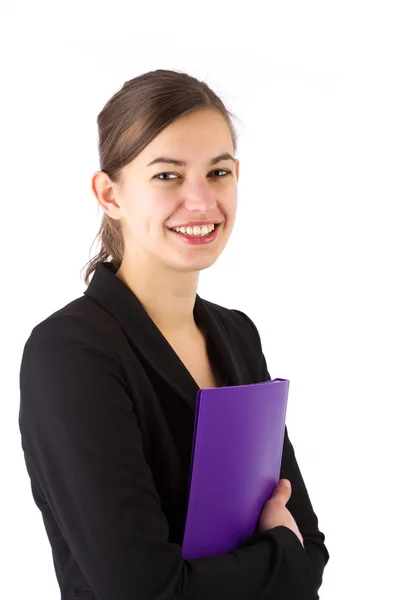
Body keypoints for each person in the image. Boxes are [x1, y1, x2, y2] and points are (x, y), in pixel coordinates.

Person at [18, 69, 329, 600]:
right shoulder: (71, 354)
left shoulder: (236, 334)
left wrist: (285, 555)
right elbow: (144, 590)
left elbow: (314, 550)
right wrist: (280, 554)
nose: (202, 202)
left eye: (218, 172)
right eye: (167, 176)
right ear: (109, 194)